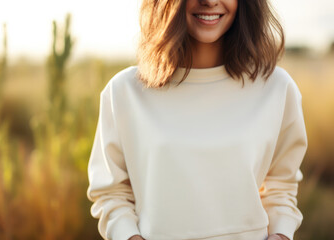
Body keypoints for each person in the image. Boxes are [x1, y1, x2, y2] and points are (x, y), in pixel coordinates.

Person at [86, 0, 308, 239]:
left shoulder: (276, 87)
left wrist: (281, 234)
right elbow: (111, 192)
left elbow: (281, 187)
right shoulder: (124, 92)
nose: (210, 1)